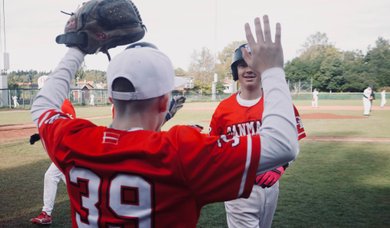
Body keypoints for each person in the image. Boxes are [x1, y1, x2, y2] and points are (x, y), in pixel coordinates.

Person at [31, 15, 299, 227]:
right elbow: (283, 145)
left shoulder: (73, 139)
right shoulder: (182, 150)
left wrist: (78, 48)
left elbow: (42, 104)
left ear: (111, 100)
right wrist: (273, 69)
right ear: (164, 102)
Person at [209, 43, 306, 228]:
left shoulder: (278, 103)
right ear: (235, 71)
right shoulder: (224, 109)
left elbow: (291, 143)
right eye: (242, 65)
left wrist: (280, 167)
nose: (248, 70)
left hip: (270, 187)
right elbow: (214, 148)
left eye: (254, 65)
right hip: (237, 187)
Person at [30, 99, 76, 225]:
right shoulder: (55, 105)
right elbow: (54, 125)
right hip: (63, 150)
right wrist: (39, 135)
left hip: (67, 150)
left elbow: (69, 127)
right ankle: (93, 204)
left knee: (50, 176)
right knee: (70, 181)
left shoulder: (64, 104)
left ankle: (46, 214)